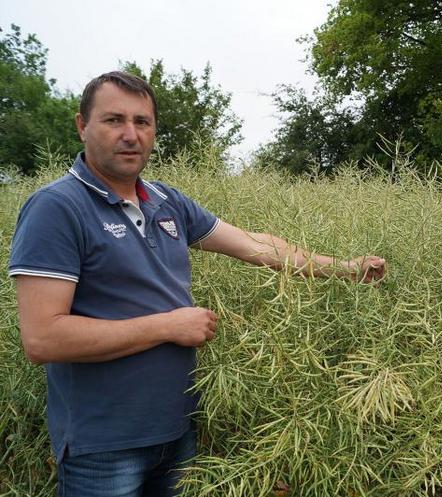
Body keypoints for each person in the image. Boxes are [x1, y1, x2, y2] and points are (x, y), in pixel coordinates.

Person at [8, 71, 386, 497]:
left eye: (142, 122)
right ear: (82, 125)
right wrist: (169, 326)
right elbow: (43, 339)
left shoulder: (166, 200)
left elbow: (253, 244)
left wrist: (344, 268)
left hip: (178, 434)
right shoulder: (56, 208)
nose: (130, 135)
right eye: (114, 120)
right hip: (105, 448)